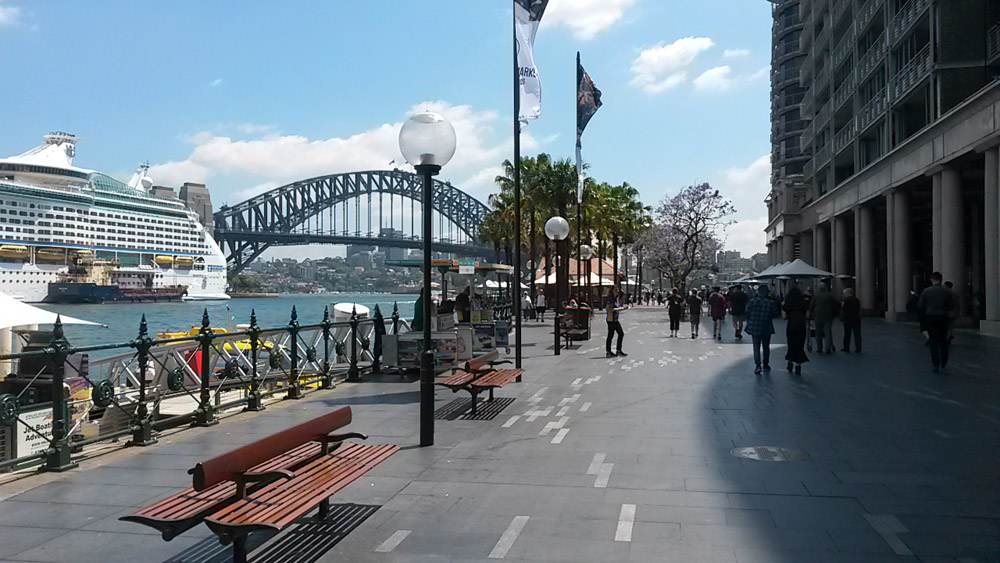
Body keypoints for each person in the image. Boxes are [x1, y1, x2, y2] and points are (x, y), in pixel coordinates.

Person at [919, 272, 954, 372]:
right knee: (943, 340)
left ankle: (935, 363)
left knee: (933, 340)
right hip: (943, 316)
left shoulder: (926, 291)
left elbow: (920, 304)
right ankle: (944, 360)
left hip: (931, 316)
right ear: (941, 279)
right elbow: (951, 306)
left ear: (932, 279)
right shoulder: (947, 291)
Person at [745, 285, 780, 374]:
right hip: (766, 327)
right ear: (767, 293)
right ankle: (766, 364)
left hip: (754, 327)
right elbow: (776, 314)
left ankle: (758, 365)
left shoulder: (752, 301)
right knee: (766, 347)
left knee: (756, 347)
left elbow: (747, 313)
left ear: (758, 292)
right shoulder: (771, 302)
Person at [782, 285, 809, 375]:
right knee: (799, 345)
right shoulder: (803, 303)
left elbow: (784, 317)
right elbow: (808, 315)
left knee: (791, 344)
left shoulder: (788, 304)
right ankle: (798, 365)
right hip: (801, 326)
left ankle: (790, 362)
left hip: (791, 326)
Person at [808, 282, 838, 354]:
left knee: (818, 332)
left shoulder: (816, 296)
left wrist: (810, 315)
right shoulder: (829, 295)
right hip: (828, 316)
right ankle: (828, 348)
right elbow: (835, 305)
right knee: (827, 332)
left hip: (818, 316)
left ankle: (819, 348)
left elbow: (811, 306)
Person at [605, 287, 628, 357]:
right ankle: (610, 351)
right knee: (613, 335)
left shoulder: (615, 299)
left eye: (617, 290)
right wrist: (620, 309)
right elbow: (608, 309)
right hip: (611, 319)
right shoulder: (610, 299)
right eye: (616, 290)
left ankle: (617, 350)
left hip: (614, 319)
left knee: (618, 334)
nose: (617, 292)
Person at [840, 288, 862, 353]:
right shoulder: (857, 300)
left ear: (847, 293)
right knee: (857, 334)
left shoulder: (846, 300)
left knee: (847, 334)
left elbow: (844, 309)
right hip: (856, 318)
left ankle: (846, 347)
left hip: (848, 319)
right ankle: (858, 347)